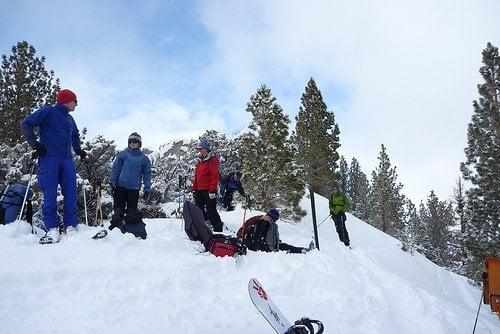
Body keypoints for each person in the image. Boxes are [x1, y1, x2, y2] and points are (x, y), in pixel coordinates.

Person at [21, 89, 86, 243]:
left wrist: (78, 150)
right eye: (75, 101)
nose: (76, 104)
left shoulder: (70, 119)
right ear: (67, 100)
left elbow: (75, 135)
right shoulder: (49, 112)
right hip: (49, 157)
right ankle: (52, 229)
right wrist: (35, 144)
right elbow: (26, 124)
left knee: (71, 192)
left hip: (67, 159)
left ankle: (70, 226)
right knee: (50, 193)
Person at [109, 132, 151, 231]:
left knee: (132, 211)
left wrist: (147, 189)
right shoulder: (122, 155)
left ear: (139, 144)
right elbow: (116, 169)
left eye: (135, 142)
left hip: (134, 188)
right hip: (120, 187)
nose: (132, 143)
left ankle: (130, 230)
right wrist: (113, 182)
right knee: (119, 209)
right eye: (131, 142)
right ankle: (115, 229)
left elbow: (147, 174)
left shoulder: (144, 159)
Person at [237, 208, 314, 254]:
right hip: (258, 247)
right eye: (271, 219)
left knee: (284, 246)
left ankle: (302, 250)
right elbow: (246, 226)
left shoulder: (270, 225)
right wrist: (240, 237)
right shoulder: (259, 222)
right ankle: (302, 251)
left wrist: (277, 241)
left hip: (264, 246)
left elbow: (270, 236)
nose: (271, 221)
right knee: (283, 247)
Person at [191, 139, 223, 232]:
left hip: (208, 189)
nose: (199, 150)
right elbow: (196, 176)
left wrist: (212, 190)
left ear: (206, 148)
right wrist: (194, 189)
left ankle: (218, 229)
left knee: (211, 210)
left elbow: (214, 175)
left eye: (201, 149)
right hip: (199, 190)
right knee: (199, 209)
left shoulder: (212, 160)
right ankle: (206, 224)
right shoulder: (199, 162)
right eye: (198, 149)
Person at [329, 182, 351, 247]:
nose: (335, 190)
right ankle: (341, 241)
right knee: (338, 229)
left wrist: (342, 210)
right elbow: (330, 205)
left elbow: (348, 205)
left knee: (343, 228)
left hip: (341, 214)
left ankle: (346, 242)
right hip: (334, 214)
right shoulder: (331, 196)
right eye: (334, 189)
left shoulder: (342, 196)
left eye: (336, 189)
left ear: (338, 189)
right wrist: (332, 211)